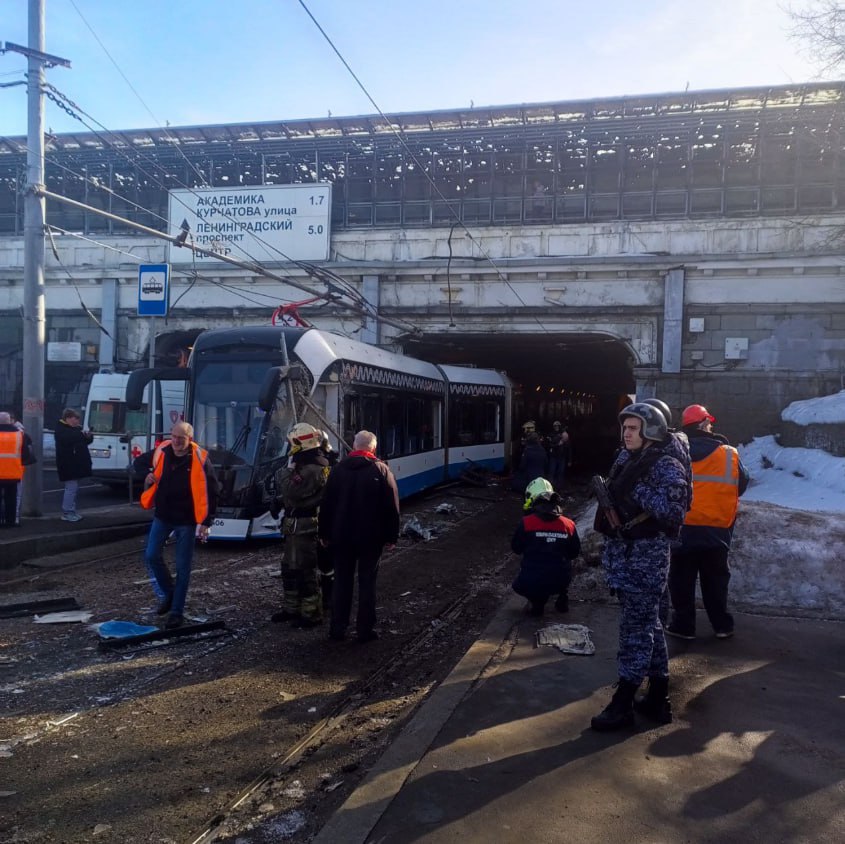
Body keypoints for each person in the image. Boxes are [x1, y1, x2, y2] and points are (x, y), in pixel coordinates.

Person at [591, 403, 690, 731]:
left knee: (635, 631)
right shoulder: (626, 458)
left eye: (634, 428)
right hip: (624, 555)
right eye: (625, 427)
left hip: (646, 558)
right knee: (650, 625)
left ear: (652, 431)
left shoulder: (667, 465)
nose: (626, 433)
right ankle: (658, 697)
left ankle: (623, 703)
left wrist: (637, 488)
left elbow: (675, 512)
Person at [666, 404, 749, 641]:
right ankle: (722, 625)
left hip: (683, 527)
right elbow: (741, 484)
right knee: (716, 580)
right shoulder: (729, 453)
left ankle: (683, 626)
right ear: (703, 424)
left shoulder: (675, 452)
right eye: (709, 422)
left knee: (681, 580)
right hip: (717, 529)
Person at [318, 430, 400, 643]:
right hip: (370, 538)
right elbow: (391, 506)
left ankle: (337, 629)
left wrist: (324, 533)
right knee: (367, 582)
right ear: (373, 448)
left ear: (354, 447)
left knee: (342, 582)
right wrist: (392, 536)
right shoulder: (381, 470)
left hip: (341, 537)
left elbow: (326, 505)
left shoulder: (337, 471)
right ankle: (365, 630)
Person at [140, 421, 218, 629]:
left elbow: (213, 491)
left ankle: (176, 611)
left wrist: (206, 521)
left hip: (187, 519)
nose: (175, 441)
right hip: (163, 514)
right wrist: (145, 476)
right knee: (151, 555)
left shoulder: (201, 458)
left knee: (183, 567)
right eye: (174, 436)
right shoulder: (162, 451)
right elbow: (137, 465)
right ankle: (171, 593)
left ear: (189, 439)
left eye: (180, 438)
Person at [271, 422, 331, 628]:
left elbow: (293, 491)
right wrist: (279, 502)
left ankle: (311, 614)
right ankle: (292, 608)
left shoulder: (315, 468)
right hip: (294, 525)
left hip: (305, 526)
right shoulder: (307, 464)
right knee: (289, 568)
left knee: (305, 571)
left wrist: (286, 471)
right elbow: (290, 495)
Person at [511, 477, 581, 615]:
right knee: (561, 569)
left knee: (518, 585)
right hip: (561, 580)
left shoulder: (526, 523)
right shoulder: (569, 525)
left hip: (533, 579)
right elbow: (574, 553)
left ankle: (537, 603)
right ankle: (562, 597)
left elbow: (516, 548)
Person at [54, 408, 93, 522]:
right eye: (76, 418)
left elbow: (82, 442)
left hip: (73, 463)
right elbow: (71, 439)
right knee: (71, 488)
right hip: (68, 463)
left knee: (73, 488)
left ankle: (71, 510)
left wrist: (88, 437)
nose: (77, 421)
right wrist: (83, 435)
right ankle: (68, 512)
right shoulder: (63, 430)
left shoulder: (72, 430)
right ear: (68, 418)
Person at [0, 412, 34, 527]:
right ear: (9, 421)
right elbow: (26, 454)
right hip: (13, 472)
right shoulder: (20, 435)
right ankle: (11, 522)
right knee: (12, 498)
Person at [546, 421, 571, 489]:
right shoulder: (551, 435)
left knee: (560, 473)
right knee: (551, 472)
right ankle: (550, 487)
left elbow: (568, 448)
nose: (556, 427)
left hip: (561, 457)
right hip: (553, 457)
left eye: (558, 426)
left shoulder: (564, 435)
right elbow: (549, 445)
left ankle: (559, 488)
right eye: (555, 426)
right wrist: (558, 444)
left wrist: (569, 460)